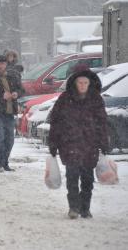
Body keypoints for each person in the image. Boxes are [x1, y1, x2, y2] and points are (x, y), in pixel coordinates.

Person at [49, 69, 108, 219]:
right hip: (70, 144)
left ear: (90, 84)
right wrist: (53, 142)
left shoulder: (96, 99)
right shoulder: (65, 99)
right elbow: (55, 122)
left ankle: (85, 208)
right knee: (72, 176)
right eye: (80, 82)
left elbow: (102, 122)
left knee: (88, 178)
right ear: (75, 83)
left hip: (90, 145)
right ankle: (73, 207)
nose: (82, 85)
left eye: (85, 83)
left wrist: (104, 142)